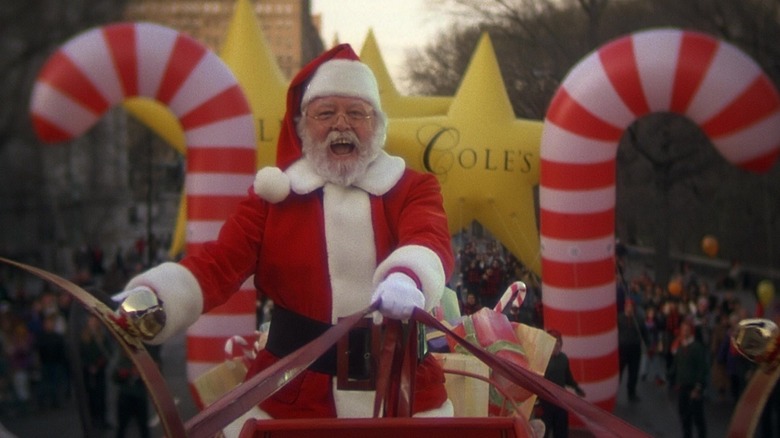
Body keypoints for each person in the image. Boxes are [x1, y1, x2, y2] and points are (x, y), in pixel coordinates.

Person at [115, 44, 455, 433]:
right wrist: (156, 299)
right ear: (302, 124)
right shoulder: (273, 200)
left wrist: (407, 277)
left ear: (376, 125)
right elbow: (218, 264)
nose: (340, 125)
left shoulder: (412, 187)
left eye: (356, 113)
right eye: (325, 113)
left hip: (400, 388)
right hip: (294, 392)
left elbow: (429, 236)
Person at [539, 329, 585, 438]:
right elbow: (535, 381)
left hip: (560, 401)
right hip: (545, 402)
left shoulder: (563, 358)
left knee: (561, 432)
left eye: (559, 341)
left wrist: (576, 387)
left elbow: (567, 377)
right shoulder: (541, 359)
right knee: (544, 431)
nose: (557, 343)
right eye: (555, 341)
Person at [672, 319, 708, 438]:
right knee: (684, 416)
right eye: (683, 330)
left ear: (691, 331)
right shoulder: (680, 347)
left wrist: (698, 388)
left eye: (687, 330)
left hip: (693, 387)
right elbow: (676, 366)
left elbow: (702, 368)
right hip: (682, 386)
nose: (684, 332)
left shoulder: (696, 348)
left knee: (698, 417)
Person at [113, 352, 150, 438]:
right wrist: (121, 375)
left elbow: (153, 378)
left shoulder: (143, 359)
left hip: (139, 397)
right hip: (125, 397)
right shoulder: (122, 360)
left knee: (143, 427)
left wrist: (141, 374)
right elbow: (114, 377)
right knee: (122, 426)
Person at [617, 298, 645, 401]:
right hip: (622, 349)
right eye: (628, 306)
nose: (629, 309)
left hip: (635, 349)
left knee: (634, 372)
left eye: (631, 307)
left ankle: (631, 392)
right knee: (619, 371)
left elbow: (644, 332)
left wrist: (649, 345)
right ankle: (615, 391)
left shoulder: (638, 319)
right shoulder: (619, 318)